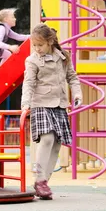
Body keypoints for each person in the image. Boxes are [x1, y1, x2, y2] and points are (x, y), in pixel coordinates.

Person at [21, 23, 82, 200]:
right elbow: (29, 83)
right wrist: (26, 103)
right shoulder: (32, 60)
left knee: (57, 142)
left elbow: (72, 77)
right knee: (47, 138)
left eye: (40, 45)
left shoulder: (63, 57)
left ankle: (44, 182)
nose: (37, 49)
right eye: (34, 45)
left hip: (59, 104)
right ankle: (39, 178)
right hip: (40, 103)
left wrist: (77, 94)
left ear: (49, 42)